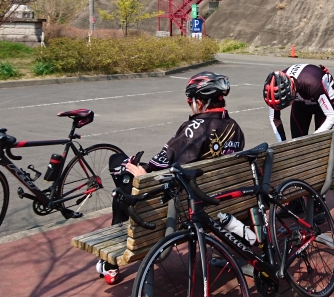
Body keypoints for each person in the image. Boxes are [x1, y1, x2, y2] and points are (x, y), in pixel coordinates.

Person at [98, 71, 245, 284]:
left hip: (182, 207)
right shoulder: (235, 128)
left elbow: (160, 164)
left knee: (119, 178)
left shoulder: (195, 128)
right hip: (219, 200)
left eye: (190, 100)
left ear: (200, 101)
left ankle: (110, 263)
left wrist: (140, 172)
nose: (189, 104)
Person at [262, 63, 334, 142]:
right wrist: (282, 143)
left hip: (321, 94)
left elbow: (332, 116)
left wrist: (312, 140)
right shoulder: (275, 89)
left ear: (292, 91)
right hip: (301, 99)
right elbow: (274, 117)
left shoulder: (312, 84)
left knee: (321, 141)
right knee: (297, 141)